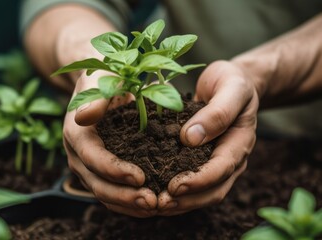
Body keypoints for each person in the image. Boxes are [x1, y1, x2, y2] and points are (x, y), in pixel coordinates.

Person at [21, 0, 322, 217]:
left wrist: (257, 75)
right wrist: (89, 60)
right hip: (190, 98)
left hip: (304, 145)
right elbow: (58, 8)